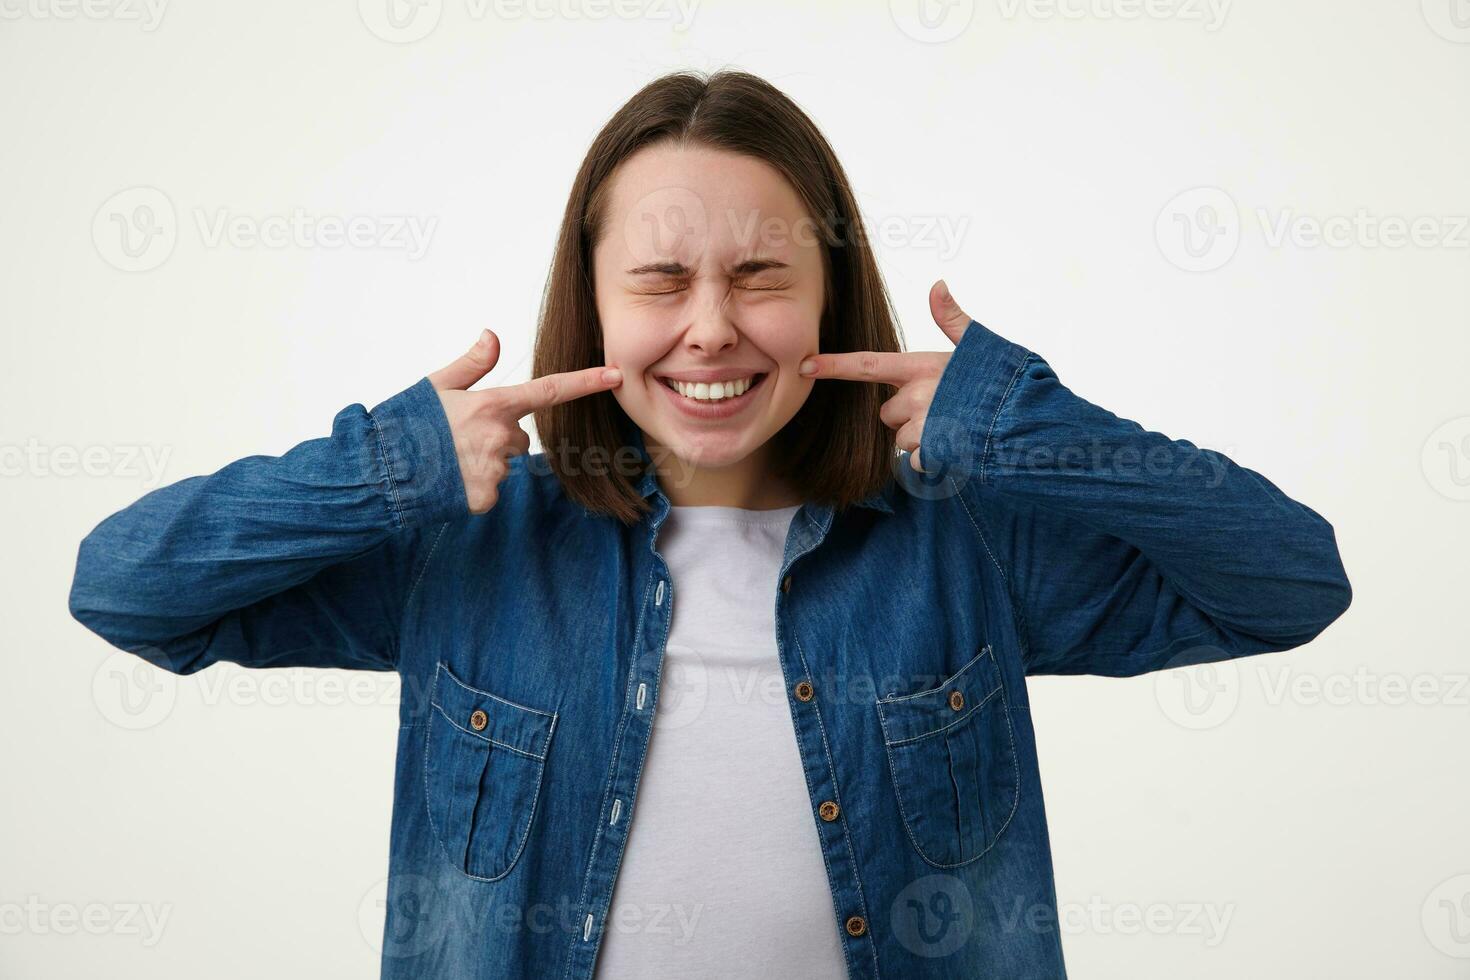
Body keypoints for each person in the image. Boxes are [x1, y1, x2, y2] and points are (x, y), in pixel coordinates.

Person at [68, 69, 1352, 980]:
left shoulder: (965, 542)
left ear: (828, 293)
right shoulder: (465, 543)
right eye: (661, 280)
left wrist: (1019, 426)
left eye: (759, 277)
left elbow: (1289, 581)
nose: (710, 326)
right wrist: (381, 468)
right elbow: (126, 587)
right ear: (597, 299)